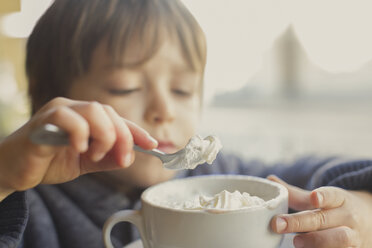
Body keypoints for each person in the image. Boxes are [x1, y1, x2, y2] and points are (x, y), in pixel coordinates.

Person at [0, 0, 372, 247]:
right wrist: (4, 178)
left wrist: (361, 207)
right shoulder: (29, 203)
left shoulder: (222, 177)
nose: (165, 110)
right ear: (50, 99)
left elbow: (321, 175)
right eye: (125, 87)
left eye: (181, 90)